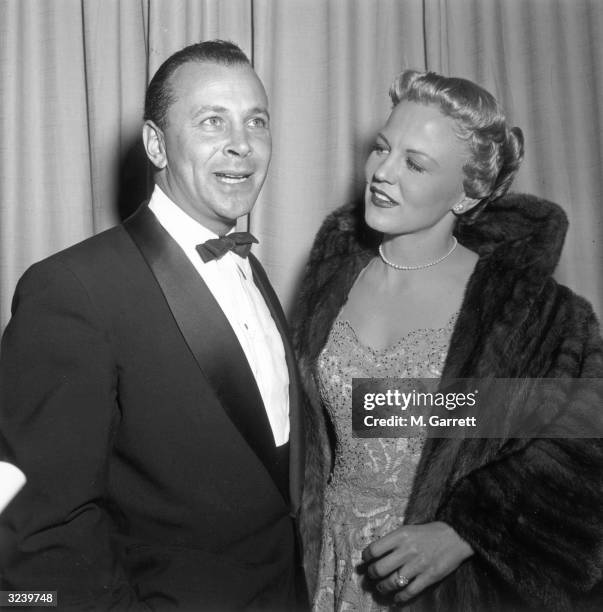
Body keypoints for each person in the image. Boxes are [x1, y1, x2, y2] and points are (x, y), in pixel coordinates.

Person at [0, 40, 307, 611]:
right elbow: (34, 530)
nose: (242, 144)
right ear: (156, 145)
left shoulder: (250, 266)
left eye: (256, 122)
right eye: (213, 121)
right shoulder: (72, 290)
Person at [292, 69, 603, 611]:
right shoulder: (330, 279)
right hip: (326, 565)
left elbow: (584, 444)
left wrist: (466, 532)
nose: (383, 173)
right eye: (382, 148)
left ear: (467, 193)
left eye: (414, 163)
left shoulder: (527, 312)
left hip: (447, 588)